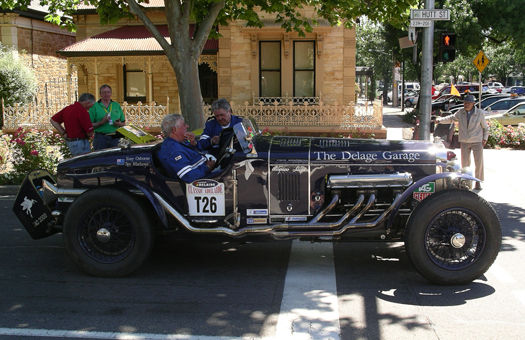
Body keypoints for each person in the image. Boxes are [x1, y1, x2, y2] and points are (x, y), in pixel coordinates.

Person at [436, 94, 488, 190]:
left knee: (479, 163)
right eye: (465, 103)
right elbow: (451, 118)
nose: (466, 105)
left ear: (473, 104)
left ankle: (478, 181)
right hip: (464, 140)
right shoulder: (461, 112)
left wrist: (485, 138)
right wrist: (439, 120)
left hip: (477, 140)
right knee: (465, 163)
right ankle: (465, 181)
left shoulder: (479, 113)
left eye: (468, 103)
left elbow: (485, 127)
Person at [158, 114, 216, 183]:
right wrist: (207, 167)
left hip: (207, 168)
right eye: (184, 125)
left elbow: (193, 153)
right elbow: (188, 176)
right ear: (174, 130)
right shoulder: (173, 150)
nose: (187, 126)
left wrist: (193, 143)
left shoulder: (179, 142)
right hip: (203, 180)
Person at [89, 84, 126, 150]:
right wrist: (101, 122)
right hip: (100, 138)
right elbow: (89, 125)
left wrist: (119, 124)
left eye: (108, 92)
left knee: (115, 158)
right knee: (101, 159)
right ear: (100, 94)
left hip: (115, 137)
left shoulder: (116, 105)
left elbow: (124, 123)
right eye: (104, 92)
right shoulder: (94, 106)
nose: (106, 94)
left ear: (111, 93)